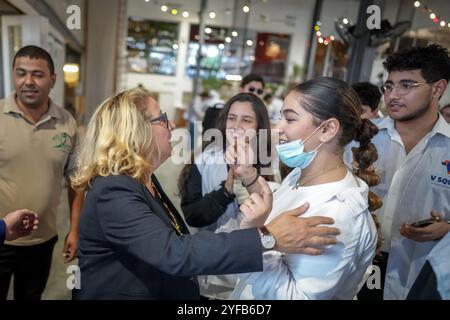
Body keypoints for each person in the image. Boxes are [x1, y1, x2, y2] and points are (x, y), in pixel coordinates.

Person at [71, 88, 341, 300]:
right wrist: (266, 238)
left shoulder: (142, 179)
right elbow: (173, 252)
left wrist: (247, 176)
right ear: (136, 130)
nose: (172, 127)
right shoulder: (114, 188)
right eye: (162, 119)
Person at [229, 77, 379, 300]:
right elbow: (275, 207)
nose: (278, 128)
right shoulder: (303, 174)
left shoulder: (337, 213)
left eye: (289, 119)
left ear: (327, 129)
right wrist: (250, 177)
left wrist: (257, 239)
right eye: (281, 117)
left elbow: (297, 297)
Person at [362, 44, 450, 300]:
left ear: (438, 88)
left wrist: (446, 228)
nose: (393, 95)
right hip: (358, 266)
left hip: (420, 274)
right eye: (389, 86)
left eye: (407, 85)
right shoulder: (363, 138)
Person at [0, 45, 84, 300]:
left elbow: (76, 182)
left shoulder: (67, 123)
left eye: (37, 74)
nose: (28, 81)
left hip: (42, 240)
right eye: (21, 73)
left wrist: (75, 229)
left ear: (53, 80)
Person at [178, 92, 279, 299]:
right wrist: (225, 192)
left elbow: (275, 218)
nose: (237, 126)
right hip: (211, 273)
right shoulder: (204, 159)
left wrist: (247, 178)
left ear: (259, 127)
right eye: (232, 118)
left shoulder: (275, 163)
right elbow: (192, 215)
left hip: (257, 276)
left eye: (247, 120)